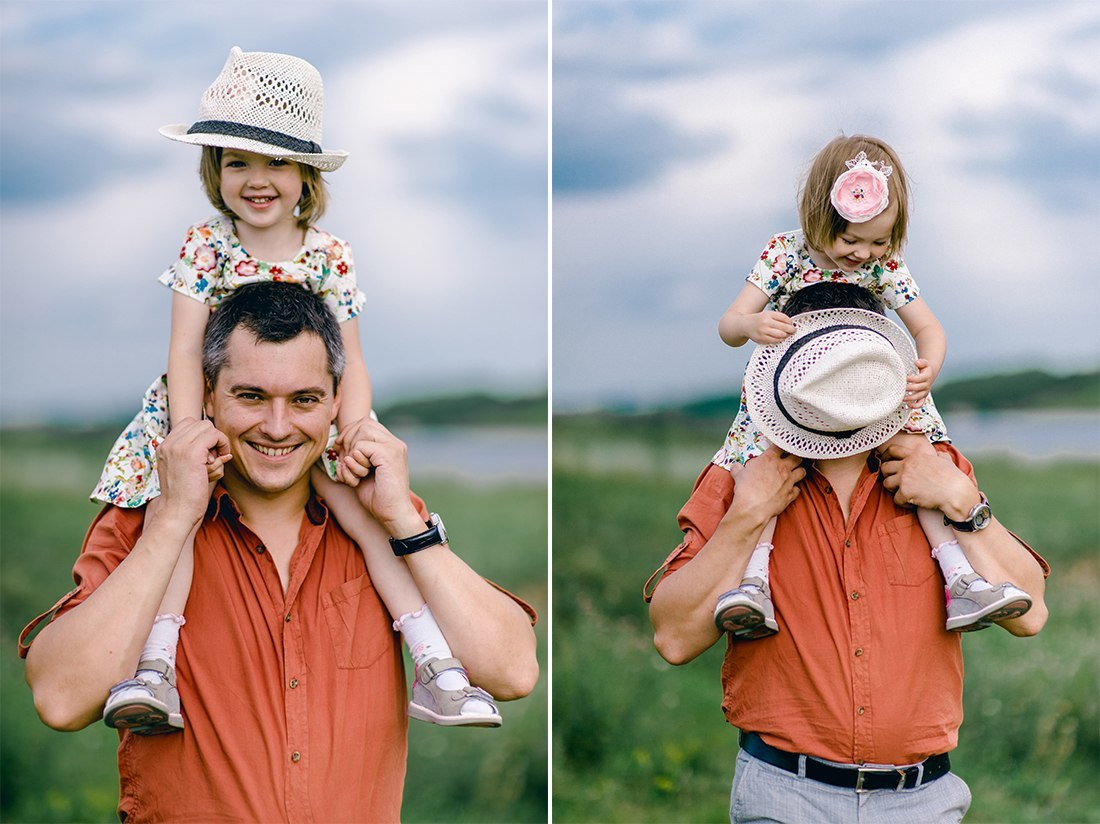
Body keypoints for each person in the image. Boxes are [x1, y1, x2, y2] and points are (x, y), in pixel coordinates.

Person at [88, 46, 499, 733]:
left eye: (275, 162)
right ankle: (154, 668)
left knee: (366, 518)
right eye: (237, 161)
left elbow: (353, 361)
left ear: (305, 174)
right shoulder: (203, 245)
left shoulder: (328, 253)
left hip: (312, 418)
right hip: (207, 408)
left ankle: (435, 665)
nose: (257, 179)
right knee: (180, 516)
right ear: (213, 171)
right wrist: (192, 432)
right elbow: (186, 349)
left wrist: (354, 429)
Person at [20, 282, 539, 823]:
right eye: (250, 396)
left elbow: (513, 671)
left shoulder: (382, 515)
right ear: (207, 395)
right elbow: (61, 699)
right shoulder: (146, 517)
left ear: (337, 401)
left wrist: (405, 521)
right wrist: (174, 520)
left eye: (304, 400)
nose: (276, 426)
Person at [645, 282, 1048, 823]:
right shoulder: (736, 480)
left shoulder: (938, 465)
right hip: (784, 796)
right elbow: (673, 638)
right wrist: (744, 518)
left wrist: (961, 498)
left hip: (925, 799)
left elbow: (1032, 614)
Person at [710, 134, 1030, 638]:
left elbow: (929, 328)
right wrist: (751, 326)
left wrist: (929, 367)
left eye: (879, 241)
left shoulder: (886, 266)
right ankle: (753, 584)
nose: (864, 254)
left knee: (917, 460)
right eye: (850, 241)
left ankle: (961, 577)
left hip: (872, 391)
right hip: (797, 393)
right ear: (817, 218)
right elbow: (729, 324)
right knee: (766, 470)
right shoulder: (783, 253)